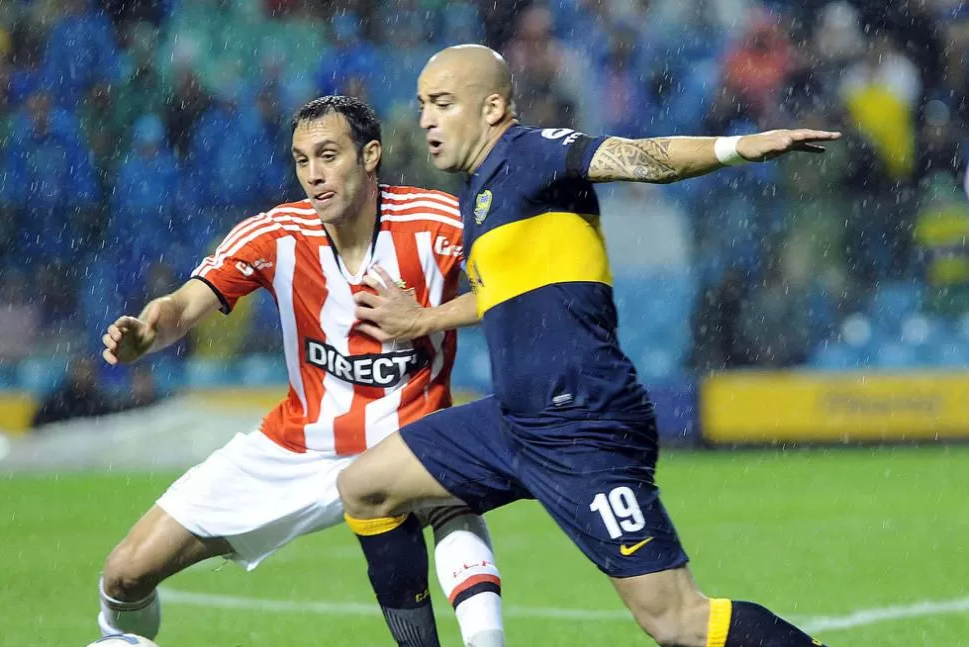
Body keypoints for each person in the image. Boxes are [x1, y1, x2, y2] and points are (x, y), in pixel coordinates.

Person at [337, 45, 842, 647]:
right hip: (516, 421)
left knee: (678, 621)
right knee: (365, 487)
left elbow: (640, 158)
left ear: (492, 106)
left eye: (442, 104)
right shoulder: (480, 193)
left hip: (585, 424)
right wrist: (425, 319)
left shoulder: (532, 151)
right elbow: (502, 291)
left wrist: (735, 148)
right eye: (422, 105)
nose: (424, 119)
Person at [96, 96, 505, 647]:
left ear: (370, 156)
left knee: (448, 497)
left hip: (407, 433)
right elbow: (184, 306)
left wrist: (425, 318)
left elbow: (513, 285)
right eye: (301, 160)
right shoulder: (274, 235)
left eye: (329, 156)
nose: (314, 175)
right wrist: (149, 332)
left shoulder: (436, 222)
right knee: (124, 574)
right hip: (296, 447)